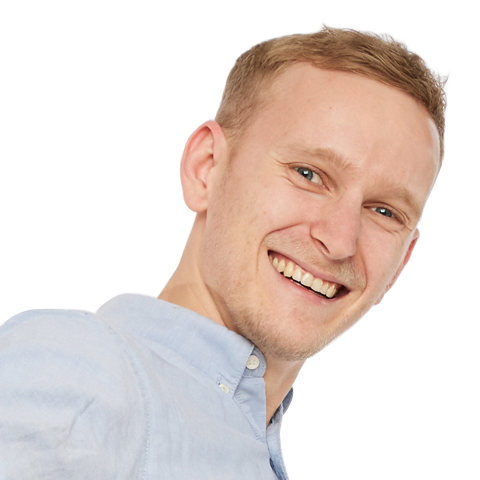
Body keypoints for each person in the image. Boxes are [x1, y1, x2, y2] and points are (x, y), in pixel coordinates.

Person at [0, 27, 445, 479]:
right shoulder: (82, 369)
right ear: (206, 168)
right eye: (308, 173)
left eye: (385, 211)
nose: (340, 240)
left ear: (400, 264)